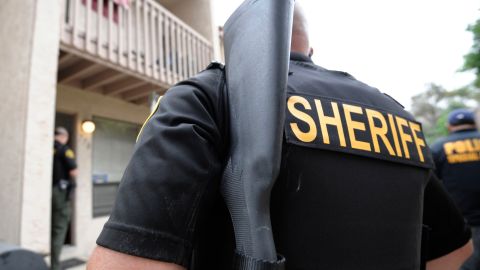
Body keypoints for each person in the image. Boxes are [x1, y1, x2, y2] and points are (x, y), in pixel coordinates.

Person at [88, 3, 473, 270]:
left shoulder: (203, 97)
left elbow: (130, 261)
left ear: (230, 38)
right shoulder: (396, 114)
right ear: (311, 48)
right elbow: (455, 252)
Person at [431, 109, 480, 270]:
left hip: (461, 223)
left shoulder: (439, 147)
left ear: (449, 126)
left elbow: (431, 184)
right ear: (473, 123)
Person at [51, 127, 78, 270]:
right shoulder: (64, 149)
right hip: (60, 193)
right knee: (60, 227)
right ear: (64, 136)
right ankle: (54, 266)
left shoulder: (49, 148)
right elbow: (74, 171)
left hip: (48, 192)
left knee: (52, 226)